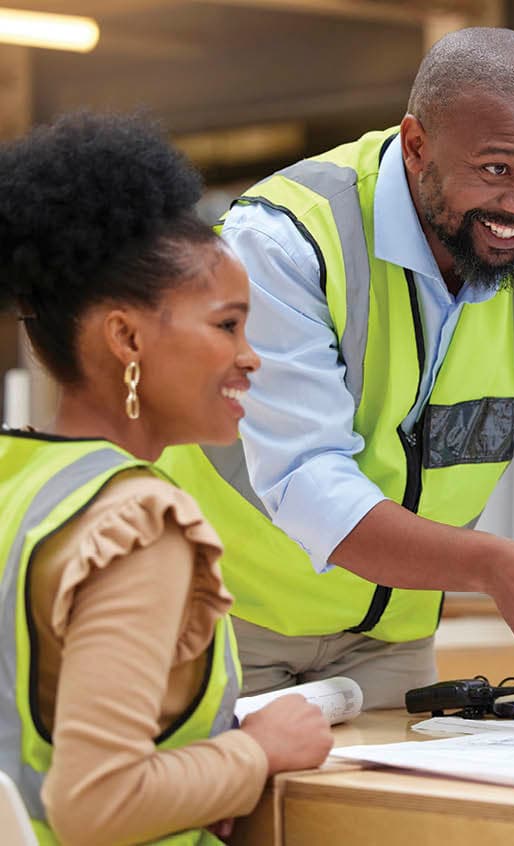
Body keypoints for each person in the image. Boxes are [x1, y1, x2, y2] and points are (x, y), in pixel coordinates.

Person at [156, 27, 514, 731]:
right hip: (223, 621)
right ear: (416, 145)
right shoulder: (286, 238)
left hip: (388, 645)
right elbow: (305, 480)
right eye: (495, 169)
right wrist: (489, 564)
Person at [0, 113, 334, 845]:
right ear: (126, 337)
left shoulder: (14, 479)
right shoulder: (138, 524)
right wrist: (259, 751)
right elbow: (97, 803)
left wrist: (199, 766)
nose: (251, 357)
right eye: (226, 325)